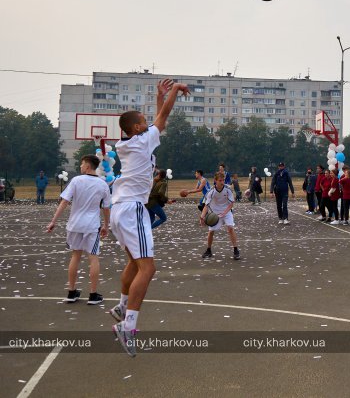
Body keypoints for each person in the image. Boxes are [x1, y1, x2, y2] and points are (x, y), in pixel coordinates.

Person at [107, 78, 188, 356]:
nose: (148, 121)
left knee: (133, 260)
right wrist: (175, 91)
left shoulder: (130, 142)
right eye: (143, 120)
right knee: (148, 268)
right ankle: (127, 326)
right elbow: (162, 118)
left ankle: (121, 305)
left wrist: (159, 96)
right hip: (132, 209)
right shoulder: (142, 142)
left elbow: (154, 120)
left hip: (120, 208)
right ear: (137, 128)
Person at [46, 154, 111, 305]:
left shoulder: (76, 181)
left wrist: (53, 221)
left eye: (82, 164)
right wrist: (106, 226)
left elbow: (64, 202)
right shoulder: (103, 184)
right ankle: (93, 294)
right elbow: (106, 208)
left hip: (74, 225)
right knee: (93, 257)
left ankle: (71, 291)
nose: (80, 167)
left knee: (75, 256)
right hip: (91, 225)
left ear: (88, 166)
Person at [201, 173, 240, 260]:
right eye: (220, 180)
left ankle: (236, 250)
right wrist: (202, 217)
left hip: (226, 212)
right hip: (215, 214)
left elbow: (231, 204)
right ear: (215, 181)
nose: (222, 182)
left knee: (230, 228)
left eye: (223, 180)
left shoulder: (228, 189)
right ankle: (208, 250)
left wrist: (224, 213)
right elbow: (206, 206)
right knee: (211, 232)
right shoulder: (211, 191)